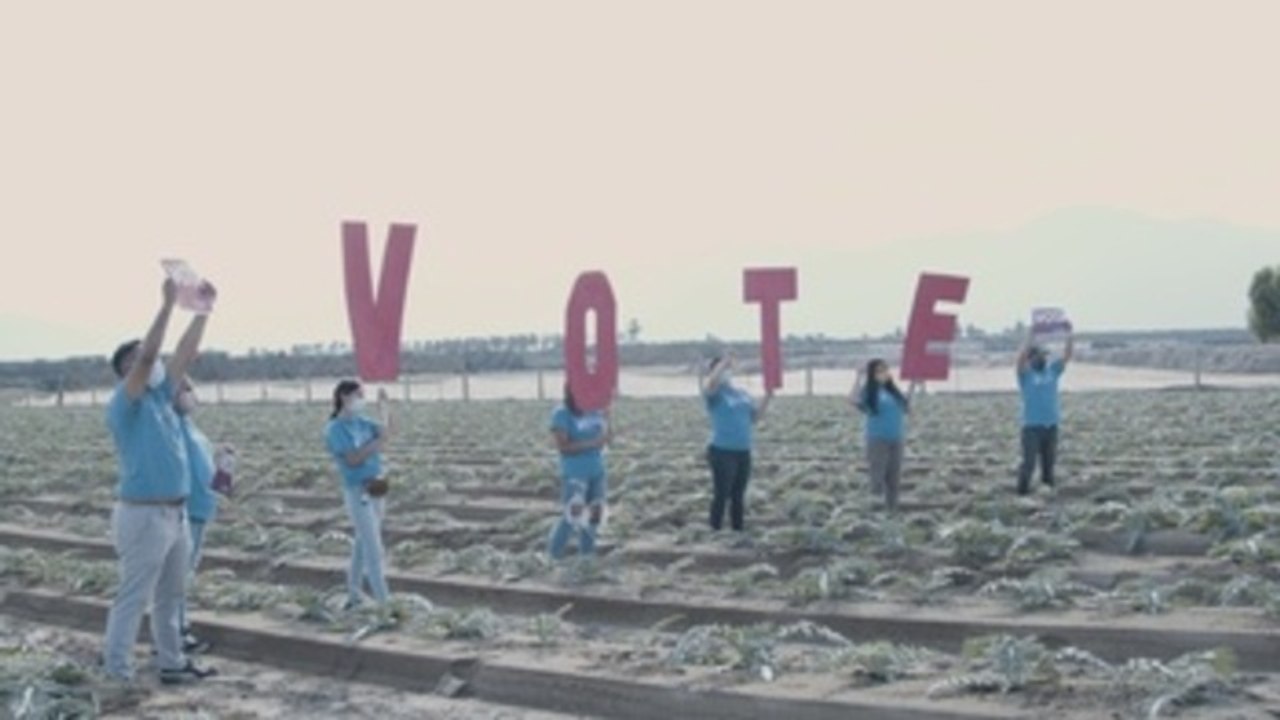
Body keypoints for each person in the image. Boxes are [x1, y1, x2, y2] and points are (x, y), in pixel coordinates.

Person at [102, 278, 217, 684]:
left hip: (176, 512)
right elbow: (151, 356)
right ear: (125, 371)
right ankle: (117, 672)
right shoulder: (125, 404)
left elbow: (181, 354)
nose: (150, 363)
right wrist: (167, 306)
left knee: (171, 595)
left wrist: (202, 311)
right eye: (137, 360)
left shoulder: (162, 397)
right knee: (134, 596)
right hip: (144, 516)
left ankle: (172, 663)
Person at [174, 377, 233, 654]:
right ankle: (176, 634)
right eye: (182, 390)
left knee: (186, 573)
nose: (189, 395)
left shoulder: (192, 428)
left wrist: (223, 464)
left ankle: (178, 629)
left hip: (202, 508)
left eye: (189, 389)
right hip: (186, 509)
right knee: (178, 576)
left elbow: (210, 472)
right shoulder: (172, 427)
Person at [326, 381, 394, 608]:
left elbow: (387, 432)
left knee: (362, 543)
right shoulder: (335, 429)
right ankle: (385, 603)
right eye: (359, 395)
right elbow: (353, 459)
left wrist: (385, 408)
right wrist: (377, 443)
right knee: (374, 548)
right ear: (344, 397)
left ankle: (354, 592)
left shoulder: (363, 422)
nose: (362, 400)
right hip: (358, 491)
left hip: (376, 487)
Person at [701, 355, 772, 532]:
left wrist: (767, 396)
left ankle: (737, 530)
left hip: (743, 450)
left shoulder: (741, 394)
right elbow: (711, 383)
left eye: (727, 369)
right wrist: (723, 363)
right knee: (721, 494)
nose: (725, 372)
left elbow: (754, 417)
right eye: (721, 369)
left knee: (738, 495)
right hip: (721, 450)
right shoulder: (715, 394)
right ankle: (714, 530)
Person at [547, 384, 611, 560]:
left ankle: (587, 557)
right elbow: (563, 447)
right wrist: (592, 443)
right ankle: (552, 557)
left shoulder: (595, 412)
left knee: (594, 515)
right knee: (572, 515)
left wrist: (607, 419)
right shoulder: (561, 414)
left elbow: (605, 439)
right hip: (575, 472)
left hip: (597, 470)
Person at [1016, 327, 1075, 495]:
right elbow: (1020, 360)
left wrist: (1069, 336)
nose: (1043, 358)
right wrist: (1029, 338)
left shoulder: (1052, 371)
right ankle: (1022, 493)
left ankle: (1047, 494)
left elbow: (1067, 356)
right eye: (1039, 355)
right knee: (1029, 463)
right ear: (1031, 358)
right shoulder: (1025, 375)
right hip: (1031, 427)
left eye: (1044, 355)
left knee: (1049, 464)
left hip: (1051, 425)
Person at [851, 359, 911, 511]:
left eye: (885, 370)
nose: (883, 374)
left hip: (896, 439)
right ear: (872, 374)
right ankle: (873, 510)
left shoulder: (893, 392)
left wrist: (913, 383)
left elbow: (907, 407)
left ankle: (892, 510)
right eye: (878, 371)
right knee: (877, 477)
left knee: (894, 478)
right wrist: (858, 377)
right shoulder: (870, 392)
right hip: (878, 440)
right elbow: (853, 400)